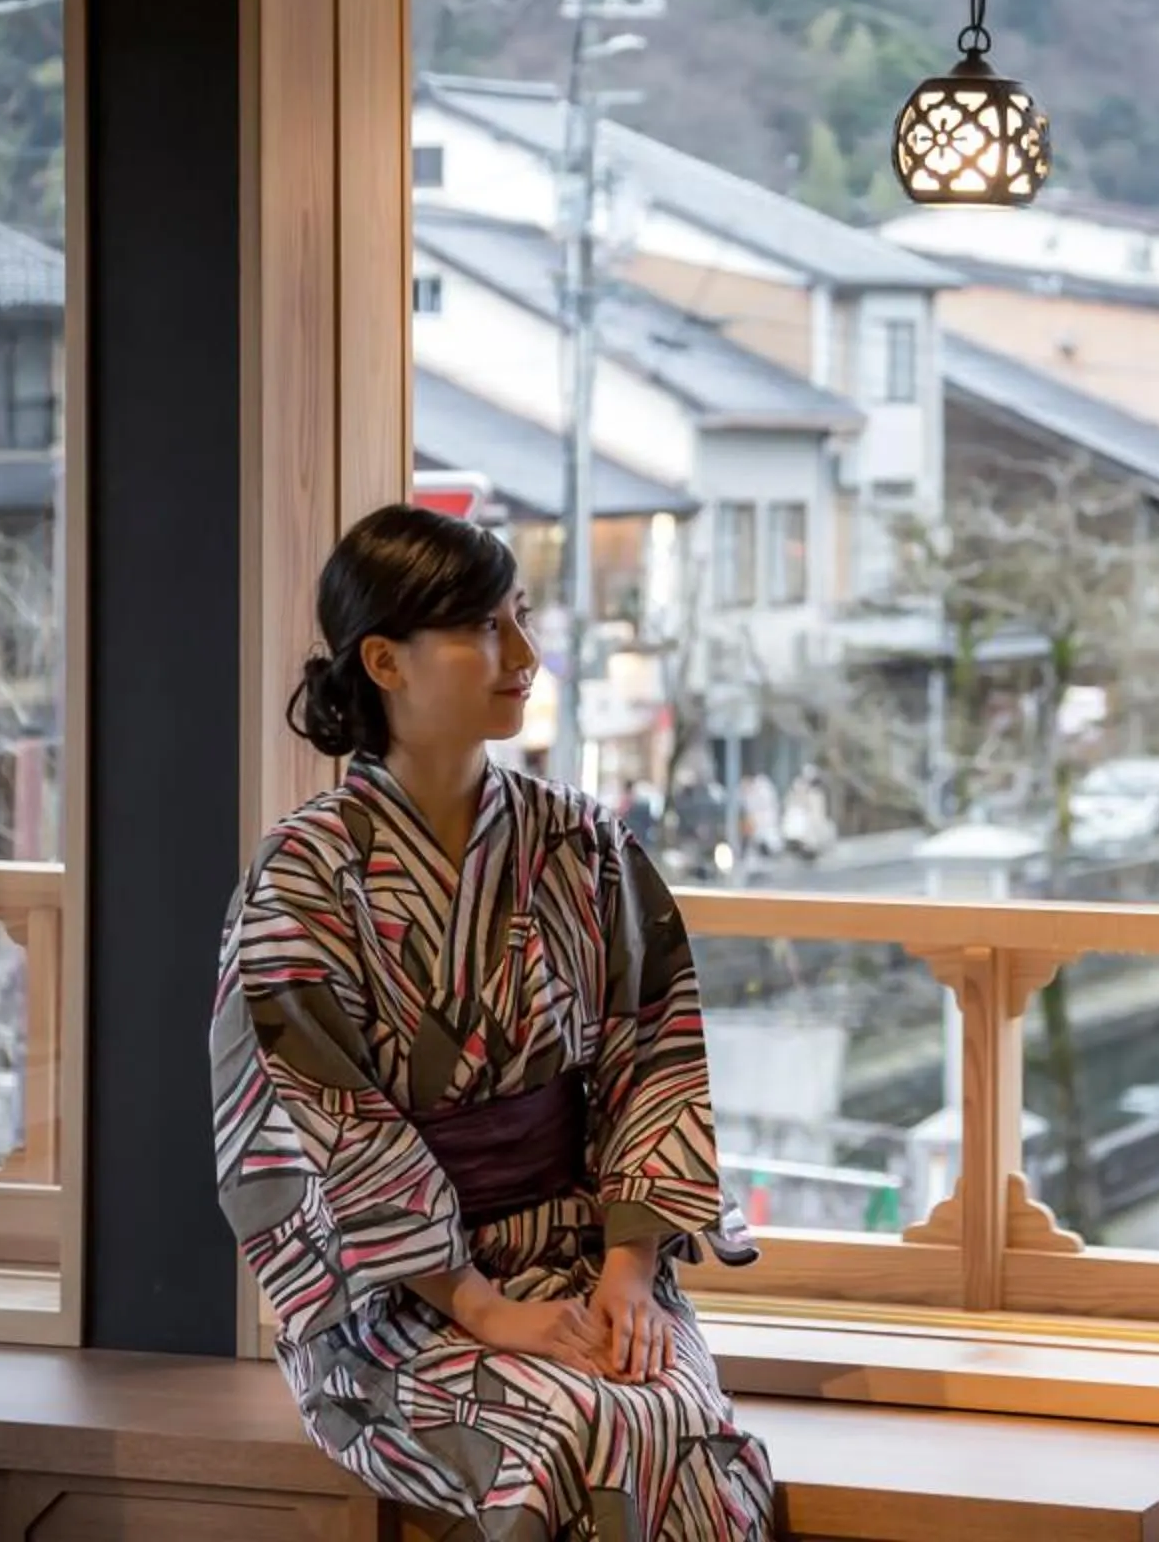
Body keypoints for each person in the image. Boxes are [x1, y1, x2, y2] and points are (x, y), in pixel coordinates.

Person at [213, 505, 773, 1535]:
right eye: (483, 628)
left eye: (519, 616)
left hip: (587, 1259)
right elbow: (324, 1129)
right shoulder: (301, 879)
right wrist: (480, 1303)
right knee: (566, 1430)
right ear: (385, 660)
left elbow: (654, 1059)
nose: (522, 653)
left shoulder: (583, 842)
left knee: (671, 1419)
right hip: (396, 1302)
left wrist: (631, 1276)